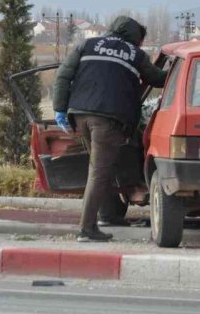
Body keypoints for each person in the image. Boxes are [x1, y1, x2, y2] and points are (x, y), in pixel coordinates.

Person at [52, 16, 167, 242]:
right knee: (98, 173)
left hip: (80, 116)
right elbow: (157, 79)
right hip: (108, 120)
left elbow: (63, 76)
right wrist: (179, 72)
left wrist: (60, 109)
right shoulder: (136, 55)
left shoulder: (87, 45)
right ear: (135, 38)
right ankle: (86, 230)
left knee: (98, 170)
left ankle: (105, 216)